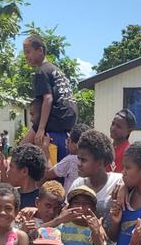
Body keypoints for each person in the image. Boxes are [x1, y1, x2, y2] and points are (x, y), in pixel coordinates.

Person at [22, 32, 78, 160]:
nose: (26, 56)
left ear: (40, 50)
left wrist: (41, 129)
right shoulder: (55, 69)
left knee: (24, 144)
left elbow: (48, 99)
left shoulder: (41, 71)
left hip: (58, 117)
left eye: (28, 52)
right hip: (70, 118)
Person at [69, 130, 123, 232]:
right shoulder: (78, 184)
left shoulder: (118, 182)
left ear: (99, 163)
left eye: (83, 160)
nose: (79, 164)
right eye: (79, 159)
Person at [44, 122, 89, 193]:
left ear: (75, 145)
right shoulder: (91, 160)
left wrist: (45, 148)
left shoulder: (71, 159)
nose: (66, 144)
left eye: (68, 140)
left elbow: (48, 173)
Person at [6, 143, 47, 210]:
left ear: (24, 171)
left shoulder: (42, 202)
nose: (8, 171)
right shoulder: (9, 196)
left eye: (11, 167)